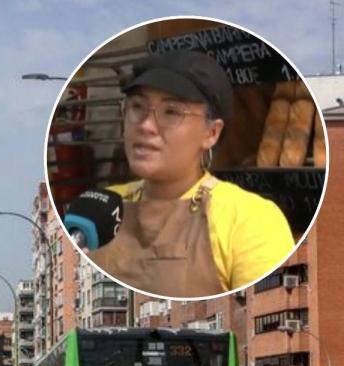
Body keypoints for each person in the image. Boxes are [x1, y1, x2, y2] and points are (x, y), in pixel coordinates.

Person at [88, 50, 294, 298]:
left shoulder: (251, 220)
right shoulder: (98, 206)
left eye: (172, 112)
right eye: (137, 107)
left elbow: (268, 298)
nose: (145, 125)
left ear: (211, 133)